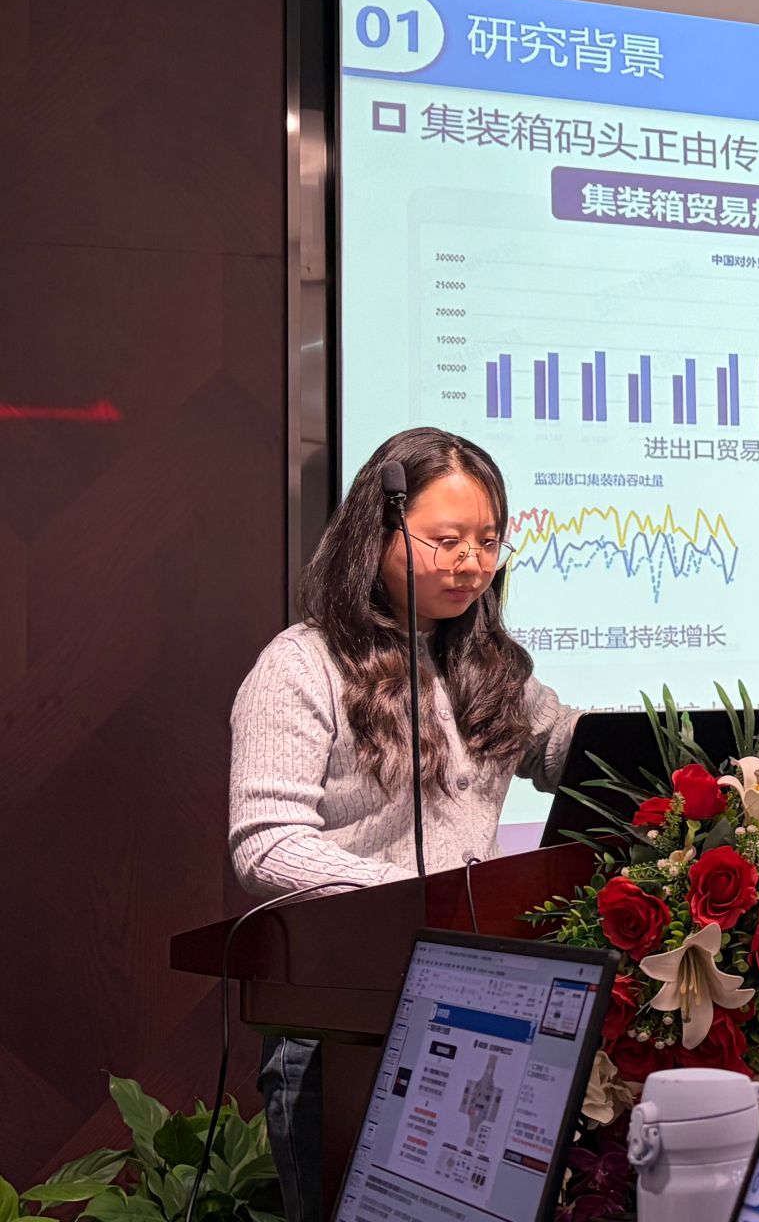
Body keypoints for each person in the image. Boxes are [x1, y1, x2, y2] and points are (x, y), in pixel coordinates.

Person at [229, 428, 582, 1222]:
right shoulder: (300, 665)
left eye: (488, 541)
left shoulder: (489, 665)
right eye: (446, 540)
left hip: (473, 1011)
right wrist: (410, 895)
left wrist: (686, 749)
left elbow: (564, 746)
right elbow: (267, 843)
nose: (472, 563)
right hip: (342, 1017)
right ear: (377, 530)